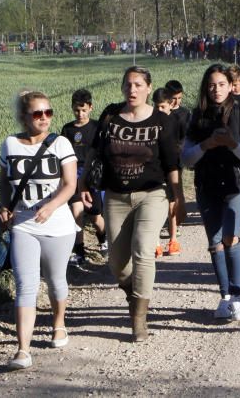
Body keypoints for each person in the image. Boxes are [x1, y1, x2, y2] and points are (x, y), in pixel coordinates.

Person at [85, 66, 183, 342]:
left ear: (149, 88)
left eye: (138, 85)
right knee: (117, 263)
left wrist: (178, 197)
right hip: (115, 196)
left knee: (142, 250)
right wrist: (83, 183)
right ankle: (132, 291)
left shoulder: (162, 122)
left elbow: (172, 163)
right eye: (128, 84)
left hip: (152, 194)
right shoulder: (111, 115)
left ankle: (138, 319)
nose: (132, 90)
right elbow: (94, 151)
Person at [0, 91, 78, 370]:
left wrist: (52, 206)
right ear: (24, 117)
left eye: (48, 112)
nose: (44, 118)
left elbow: (70, 184)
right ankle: (22, 350)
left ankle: (58, 324)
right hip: (23, 225)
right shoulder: (9, 145)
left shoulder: (61, 143)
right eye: (37, 113)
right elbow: (5, 182)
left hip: (59, 226)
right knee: (25, 286)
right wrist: (4, 206)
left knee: (56, 280)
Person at [182, 64, 240, 320]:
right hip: (207, 185)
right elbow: (187, 159)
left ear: (231, 86)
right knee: (215, 243)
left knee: (230, 238)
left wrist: (231, 144)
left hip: (235, 185)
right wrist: (207, 144)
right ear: (206, 87)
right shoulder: (197, 117)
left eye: (222, 84)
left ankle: (238, 296)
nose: (217, 90)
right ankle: (225, 296)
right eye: (212, 85)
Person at [61, 89, 104, 267]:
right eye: (77, 110)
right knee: (76, 212)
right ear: (72, 108)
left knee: (95, 216)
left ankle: (103, 239)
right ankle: (79, 252)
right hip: (73, 175)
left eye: (84, 110)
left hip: (93, 176)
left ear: (90, 108)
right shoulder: (67, 129)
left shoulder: (96, 127)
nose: (80, 114)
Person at [151, 88, 179, 258]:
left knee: (171, 206)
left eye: (162, 107)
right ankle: (155, 243)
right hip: (156, 169)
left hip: (172, 168)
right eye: (156, 107)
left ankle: (173, 239)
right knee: (154, 207)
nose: (159, 110)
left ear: (171, 104)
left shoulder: (176, 121)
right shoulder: (151, 121)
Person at [165, 79, 190, 254]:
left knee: (174, 194)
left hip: (177, 159)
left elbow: (187, 136)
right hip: (161, 159)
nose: (176, 102)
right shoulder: (161, 111)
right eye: (174, 98)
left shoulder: (184, 114)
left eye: (179, 98)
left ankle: (174, 224)